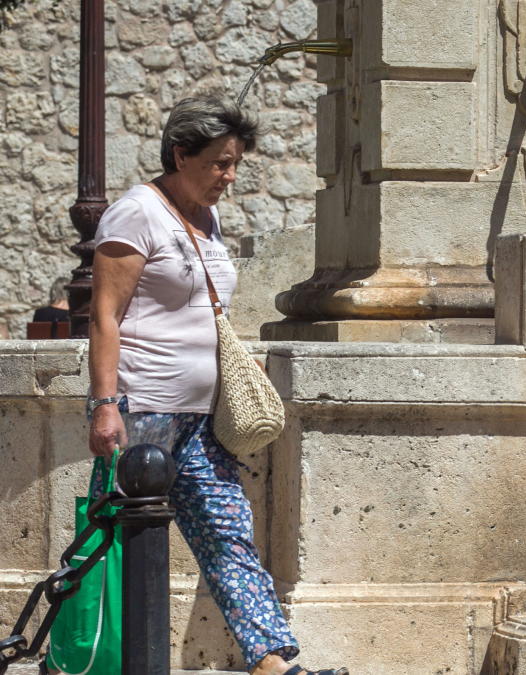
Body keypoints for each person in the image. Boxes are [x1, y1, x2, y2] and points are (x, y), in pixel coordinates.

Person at [85, 96, 347, 675]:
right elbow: (104, 316)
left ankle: (272, 664)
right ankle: (85, 653)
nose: (230, 177)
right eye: (220, 163)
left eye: (235, 164)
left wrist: (235, 360)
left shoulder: (207, 216)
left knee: (229, 533)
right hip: (141, 407)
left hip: (204, 414)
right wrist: (106, 406)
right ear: (181, 155)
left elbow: (205, 307)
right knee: (112, 543)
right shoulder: (135, 214)